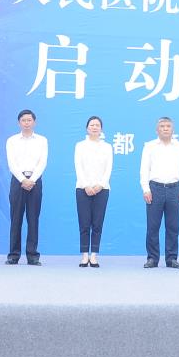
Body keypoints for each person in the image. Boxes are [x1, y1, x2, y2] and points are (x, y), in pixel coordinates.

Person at [139, 117, 179, 269]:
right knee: (153, 226)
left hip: (174, 189)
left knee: (173, 226)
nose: (165, 128)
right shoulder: (149, 146)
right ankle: (152, 258)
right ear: (157, 130)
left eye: (168, 126)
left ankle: (171, 258)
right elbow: (144, 169)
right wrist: (146, 189)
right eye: (162, 126)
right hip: (155, 189)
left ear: (173, 130)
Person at [5, 109, 48, 266]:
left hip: (35, 182)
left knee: (33, 219)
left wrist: (32, 180)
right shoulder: (12, 140)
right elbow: (11, 163)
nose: (26, 123)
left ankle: (32, 255)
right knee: (16, 219)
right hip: (18, 181)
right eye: (23, 120)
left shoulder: (42, 140)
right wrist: (23, 179)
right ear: (19, 123)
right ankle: (13, 255)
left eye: (29, 120)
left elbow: (42, 162)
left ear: (34, 122)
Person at [74, 115, 112, 268]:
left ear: (101, 129)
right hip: (82, 189)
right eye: (92, 125)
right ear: (87, 128)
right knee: (84, 223)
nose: (94, 127)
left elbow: (108, 168)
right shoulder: (80, 146)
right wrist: (86, 185)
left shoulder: (107, 147)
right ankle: (84, 255)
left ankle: (94, 255)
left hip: (102, 189)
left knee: (97, 223)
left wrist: (100, 185)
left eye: (97, 125)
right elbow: (78, 167)